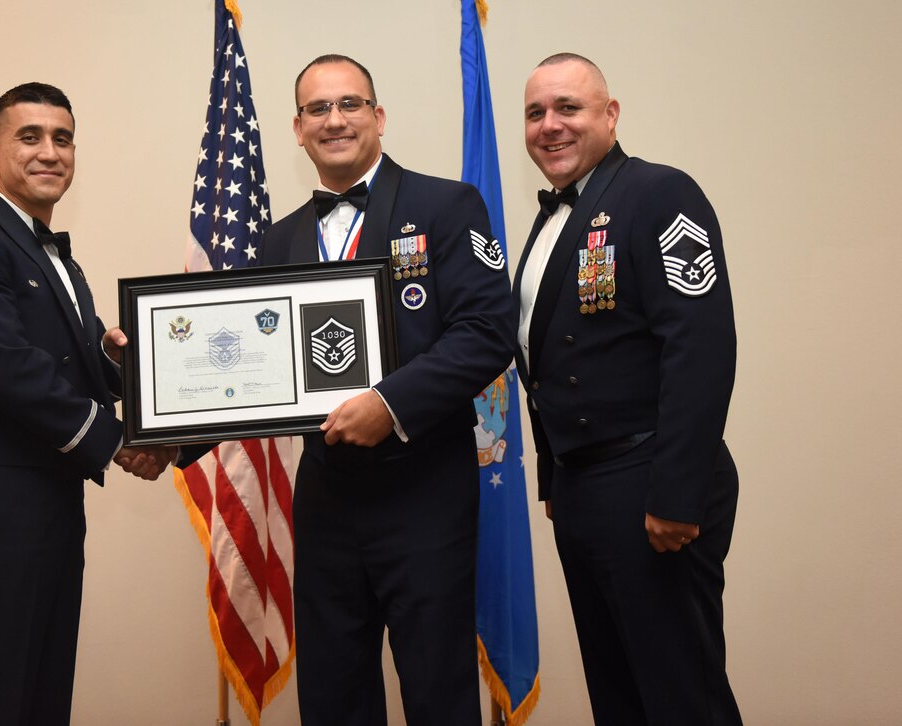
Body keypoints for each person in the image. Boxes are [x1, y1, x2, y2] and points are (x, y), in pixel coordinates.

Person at [0, 82, 181, 725]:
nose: (49, 152)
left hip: (51, 491)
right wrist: (118, 442)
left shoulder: (56, 258)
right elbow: (11, 371)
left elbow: (79, 367)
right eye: (29, 137)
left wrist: (135, 371)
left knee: (43, 685)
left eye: (62, 138)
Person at [260, 55, 515, 725]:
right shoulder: (277, 239)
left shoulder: (446, 205)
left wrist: (390, 404)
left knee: (437, 693)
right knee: (333, 696)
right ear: (297, 127)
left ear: (378, 116)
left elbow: (488, 332)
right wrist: (160, 432)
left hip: (423, 496)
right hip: (325, 501)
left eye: (350, 104)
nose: (335, 119)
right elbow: (248, 371)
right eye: (318, 108)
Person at [514, 53, 742, 724]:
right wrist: (555, 476)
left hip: (651, 484)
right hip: (587, 491)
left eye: (568, 108)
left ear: (610, 116)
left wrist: (677, 492)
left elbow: (700, 348)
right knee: (620, 699)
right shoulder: (552, 218)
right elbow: (547, 355)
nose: (550, 126)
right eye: (535, 113)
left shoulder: (659, 193)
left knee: (679, 698)